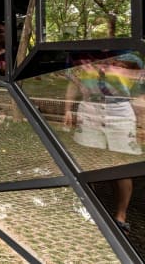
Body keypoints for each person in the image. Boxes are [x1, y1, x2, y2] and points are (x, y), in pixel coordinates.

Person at [64, 52, 143, 235]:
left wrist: (141, 121)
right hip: (89, 108)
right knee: (89, 162)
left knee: (121, 165)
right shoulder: (82, 55)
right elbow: (73, 83)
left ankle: (120, 216)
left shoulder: (131, 57)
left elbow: (140, 91)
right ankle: (90, 210)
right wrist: (67, 109)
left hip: (120, 110)